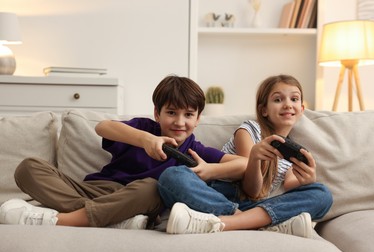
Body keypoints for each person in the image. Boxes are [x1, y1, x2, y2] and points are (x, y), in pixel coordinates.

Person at [0, 75, 247, 229]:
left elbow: (243, 164)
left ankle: (63, 220)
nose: (179, 122)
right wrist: (146, 139)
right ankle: (113, 218)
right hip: (97, 190)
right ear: (157, 113)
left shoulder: (195, 149)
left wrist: (211, 169)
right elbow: (103, 127)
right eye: (171, 112)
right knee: (28, 167)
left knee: (153, 187)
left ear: (198, 119)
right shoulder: (142, 128)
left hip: (137, 198)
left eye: (188, 115)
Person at [158, 74, 333, 238]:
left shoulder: (292, 154)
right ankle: (254, 223)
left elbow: (293, 187)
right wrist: (255, 158)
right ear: (263, 110)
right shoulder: (249, 130)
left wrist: (309, 180)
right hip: (216, 193)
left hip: (252, 207)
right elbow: (252, 189)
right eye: (278, 99)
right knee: (172, 176)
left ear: (302, 109)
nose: (287, 104)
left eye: (294, 99)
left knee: (322, 194)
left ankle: (228, 223)